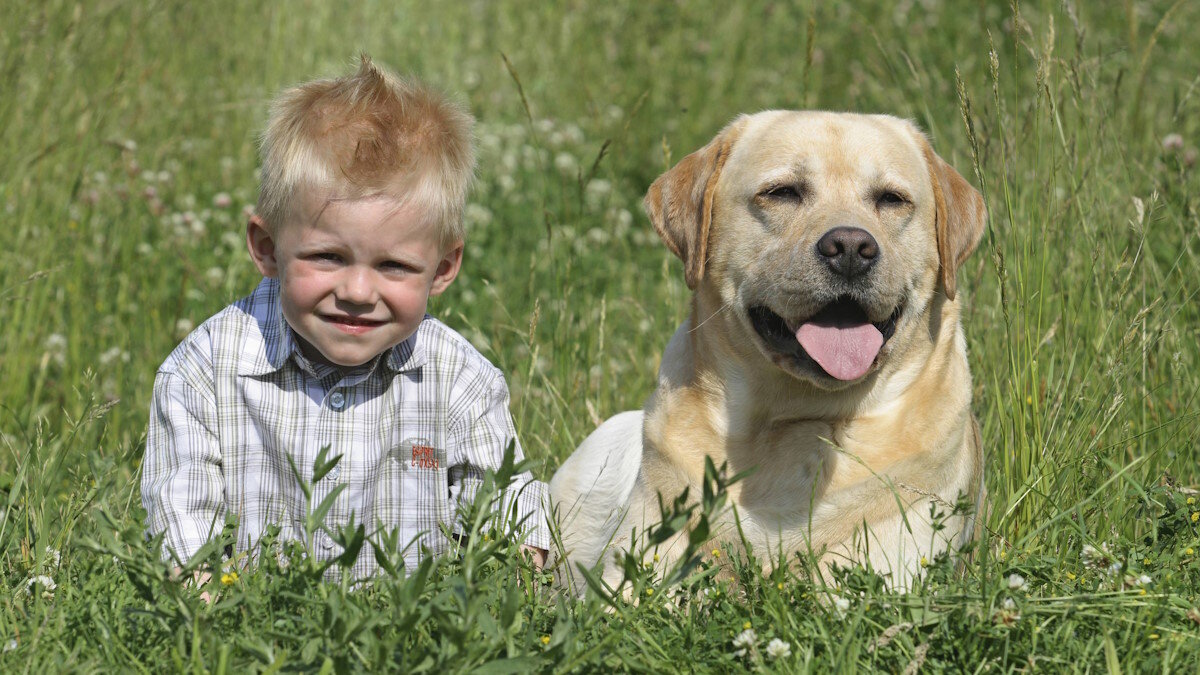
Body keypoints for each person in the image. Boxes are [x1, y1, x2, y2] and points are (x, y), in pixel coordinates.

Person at [142, 56, 549, 584]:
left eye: (394, 266)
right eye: (328, 257)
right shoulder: (202, 372)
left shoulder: (460, 382)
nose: (357, 292)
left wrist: (501, 603)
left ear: (443, 268)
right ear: (267, 248)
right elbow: (182, 538)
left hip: (415, 637)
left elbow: (510, 521)